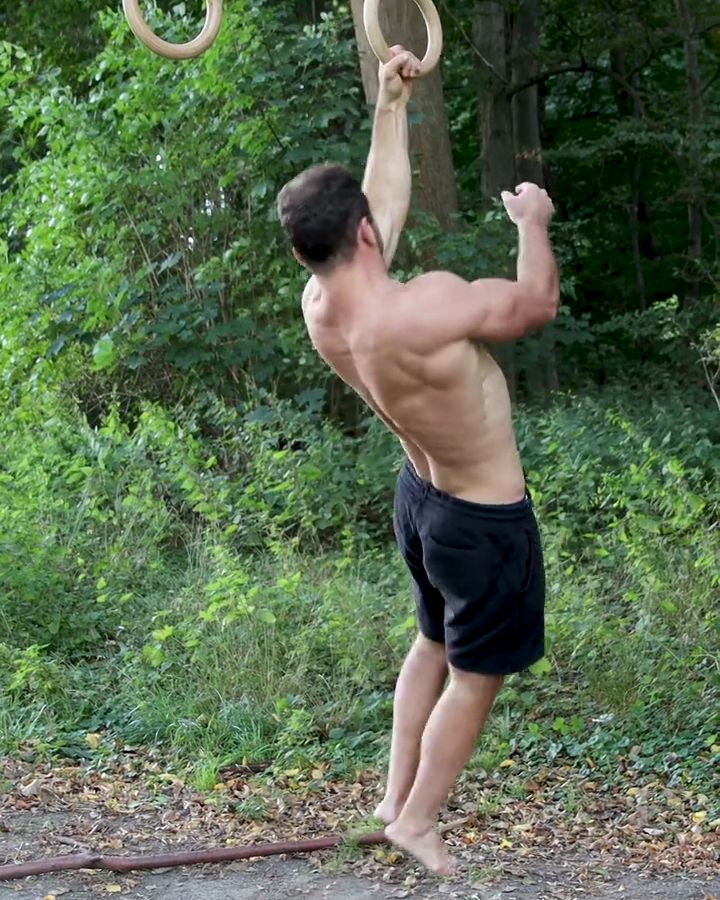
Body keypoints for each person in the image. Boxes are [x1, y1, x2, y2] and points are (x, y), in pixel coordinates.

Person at [276, 46, 559, 876]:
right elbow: (536, 302)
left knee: (430, 643)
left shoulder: (324, 305)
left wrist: (390, 105)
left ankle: (394, 798)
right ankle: (420, 820)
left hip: (422, 502)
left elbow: (381, 200)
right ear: (364, 234)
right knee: (476, 676)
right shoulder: (430, 306)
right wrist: (532, 223)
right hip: (483, 516)